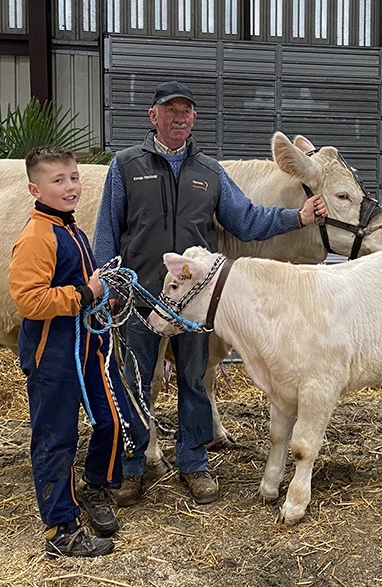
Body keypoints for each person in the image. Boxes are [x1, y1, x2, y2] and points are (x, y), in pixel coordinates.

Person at [92, 80, 326, 506]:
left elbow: (247, 221)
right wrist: (108, 283)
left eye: (186, 111)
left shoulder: (210, 172)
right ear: (154, 116)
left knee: (194, 381)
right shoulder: (125, 165)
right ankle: (131, 467)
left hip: (193, 302)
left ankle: (193, 463)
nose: (179, 117)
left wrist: (298, 216)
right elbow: (106, 230)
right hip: (139, 296)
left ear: (194, 118)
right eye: (170, 110)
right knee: (133, 383)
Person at [9, 145, 127, 558]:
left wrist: (102, 298)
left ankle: (95, 487)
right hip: (53, 356)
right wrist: (86, 292)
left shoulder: (72, 229)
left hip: (88, 346)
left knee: (113, 420)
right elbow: (29, 301)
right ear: (34, 189)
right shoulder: (37, 237)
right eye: (58, 180)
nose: (70, 186)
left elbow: (85, 285)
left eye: (73, 177)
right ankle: (61, 530)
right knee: (55, 439)